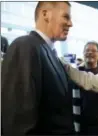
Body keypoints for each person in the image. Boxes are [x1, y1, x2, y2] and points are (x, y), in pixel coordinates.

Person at [1, 2, 75, 135]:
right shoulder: (25, 46)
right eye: (66, 17)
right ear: (45, 14)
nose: (70, 24)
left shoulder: (50, 54)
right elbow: (18, 123)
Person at [73, 41, 98, 135]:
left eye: (93, 50)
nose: (90, 52)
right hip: (83, 125)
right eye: (87, 50)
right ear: (83, 53)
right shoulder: (75, 74)